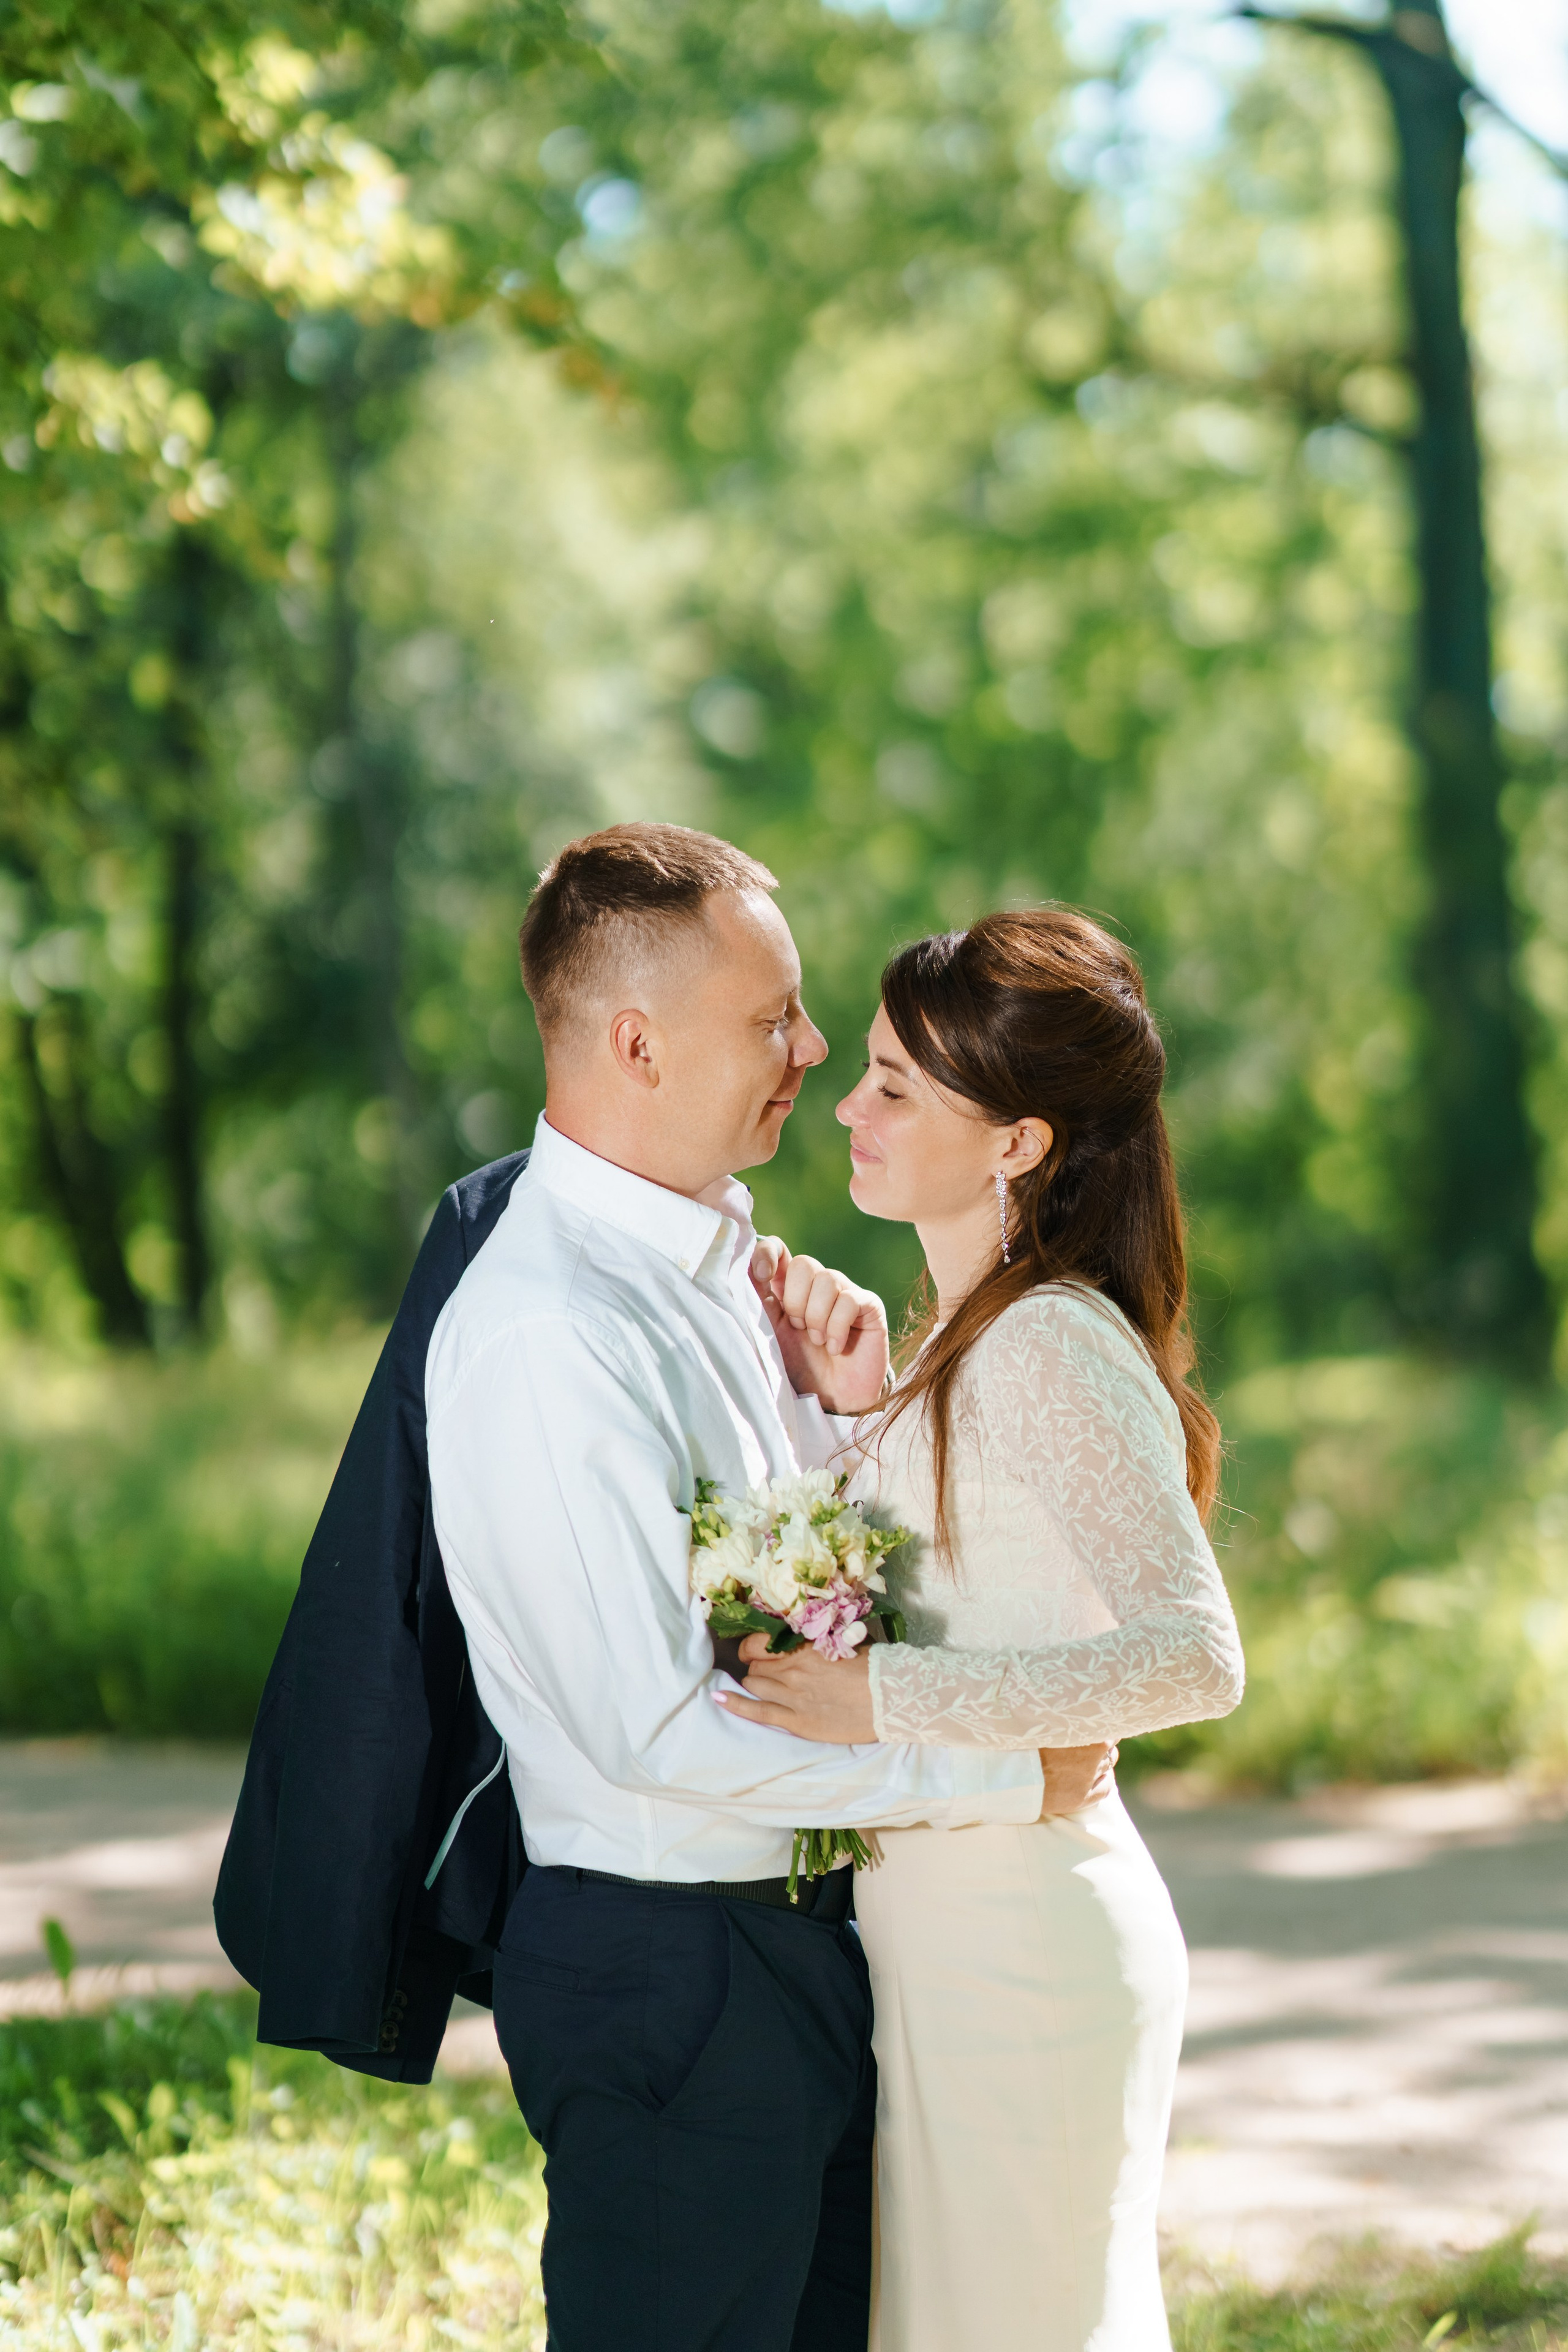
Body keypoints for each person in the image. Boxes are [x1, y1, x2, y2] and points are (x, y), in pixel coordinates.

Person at [423, 826, 1110, 2352]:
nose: (808, 1047)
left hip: (797, 1940)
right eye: (770, 1020)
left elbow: (791, 1607)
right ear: (637, 1042)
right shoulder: (548, 1332)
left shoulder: (726, 1275)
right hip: (670, 1968)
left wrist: (848, 1423)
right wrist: (995, 1773)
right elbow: (652, 1731)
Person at [718, 908, 1246, 2352]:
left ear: (1016, 1142)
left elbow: (1194, 1652)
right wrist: (857, 1414)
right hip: (951, 1937)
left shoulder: (1045, 1343)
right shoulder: (970, 1337)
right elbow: (981, 1571)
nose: (847, 1103)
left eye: (895, 1084)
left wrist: (885, 1698)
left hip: (1027, 1949)